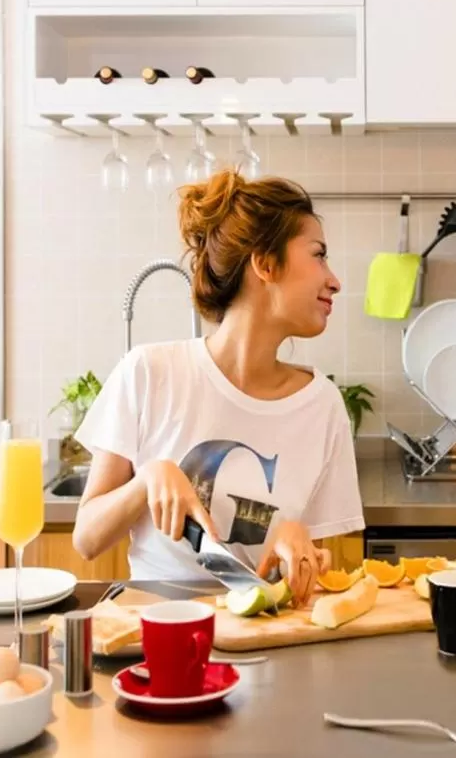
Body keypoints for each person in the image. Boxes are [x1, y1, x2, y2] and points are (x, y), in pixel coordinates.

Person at [71, 170, 363, 606]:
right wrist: (147, 479)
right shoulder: (149, 373)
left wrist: (298, 544)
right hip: (159, 637)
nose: (334, 279)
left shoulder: (322, 406)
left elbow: (324, 578)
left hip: (270, 645)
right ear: (265, 264)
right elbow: (87, 539)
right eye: (318, 255)